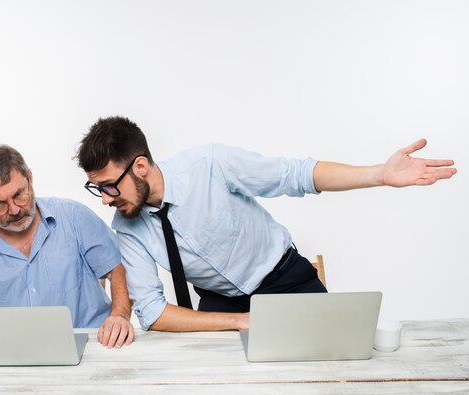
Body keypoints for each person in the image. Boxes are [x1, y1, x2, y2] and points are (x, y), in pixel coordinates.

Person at [75, 116, 457, 332]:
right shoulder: (127, 225)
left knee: (335, 363)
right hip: (221, 304)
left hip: (286, 279)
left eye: (110, 185)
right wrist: (240, 321)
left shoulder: (210, 165)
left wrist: (379, 174)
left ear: (140, 165)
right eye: (98, 189)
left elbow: (297, 176)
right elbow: (154, 313)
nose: (107, 199)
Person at [0, 145, 134, 348]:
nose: (14, 210)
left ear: (30, 179)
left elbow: (118, 269)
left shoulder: (73, 217)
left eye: (18, 195)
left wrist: (119, 315)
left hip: (92, 346)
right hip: (15, 358)